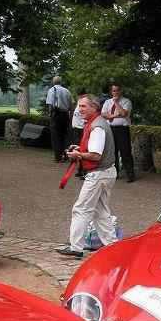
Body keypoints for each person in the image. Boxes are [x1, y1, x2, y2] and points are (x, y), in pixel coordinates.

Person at [56, 94, 117, 259]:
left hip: (99, 174)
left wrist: (78, 155)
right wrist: (80, 148)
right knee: (101, 212)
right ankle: (113, 247)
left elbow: (96, 155)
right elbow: (95, 150)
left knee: (81, 209)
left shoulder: (97, 127)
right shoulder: (98, 123)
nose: (79, 109)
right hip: (106, 172)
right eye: (79, 106)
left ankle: (76, 247)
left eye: (83, 106)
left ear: (94, 107)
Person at [101, 83, 135, 182]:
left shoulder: (126, 101)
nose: (115, 92)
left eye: (117, 90)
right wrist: (114, 115)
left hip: (122, 130)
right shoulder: (107, 102)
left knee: (125, 152)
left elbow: (124, 113)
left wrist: (116, 103)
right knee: (112, 152)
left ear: (121, 91)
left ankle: (130, 174)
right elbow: (103, 114)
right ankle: (114, 174)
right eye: (114, 91)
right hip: (110, 129)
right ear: (111, 92)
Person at [46, 76, 73, 163]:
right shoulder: (67, 91)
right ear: (61, 82)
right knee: (65, 135)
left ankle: (58, 157)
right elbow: (71, 105)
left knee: (55, 136)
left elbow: (50, 104)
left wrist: (50, 114)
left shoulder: (52, 90)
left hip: (56, 114)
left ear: (53, 82)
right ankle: (66, 155)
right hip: (65, 115)